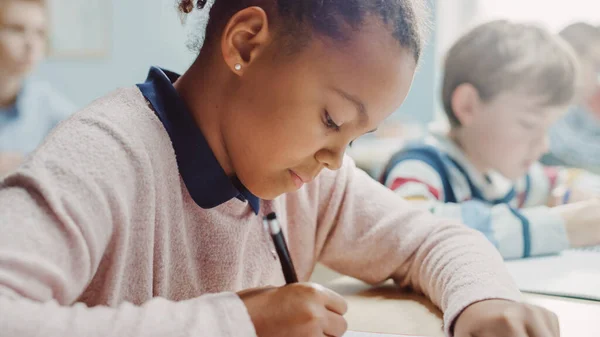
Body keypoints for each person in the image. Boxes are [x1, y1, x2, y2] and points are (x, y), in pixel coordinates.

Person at [0, 2, 559, 337]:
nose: (337, 160)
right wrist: (239, 323)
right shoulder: (104, 155)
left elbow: (432, 239)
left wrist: (484, 302)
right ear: (246, 43)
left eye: (357, 137)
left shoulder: (309, 183)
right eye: (331, 118)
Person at [382, 20, 600, 260]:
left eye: (547, 129)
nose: (544, 145)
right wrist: (564, 225)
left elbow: (560, 179)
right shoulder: (421, 166)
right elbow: (410, 231)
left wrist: (576, 196)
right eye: (528, 125)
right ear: (468, 106)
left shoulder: (504, 179)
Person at [0, 0, 75, 174]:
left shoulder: (52, 109)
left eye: (40, 33)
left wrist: (27, 163)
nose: (30, 44)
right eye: (17, 29)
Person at [544, 22, 600, 173]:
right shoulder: (546, 101)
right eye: (596, 66)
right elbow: (570, 150)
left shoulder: (575, 106)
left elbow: (592, 130)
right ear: (572, 56)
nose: (597, 79)